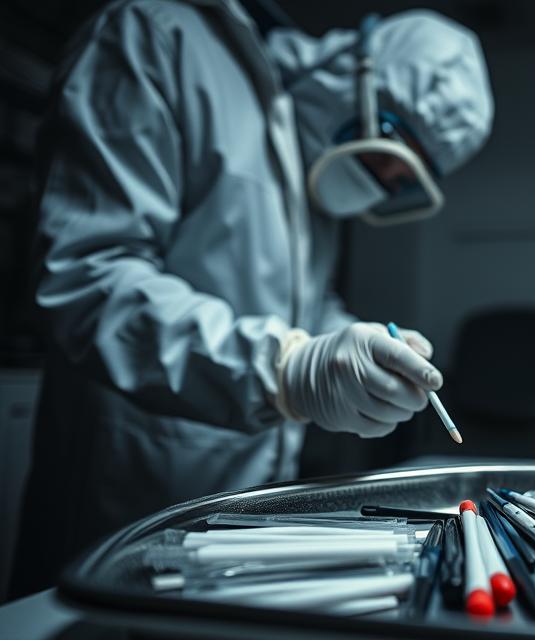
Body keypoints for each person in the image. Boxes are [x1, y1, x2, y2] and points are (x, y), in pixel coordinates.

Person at [9, 0, 492, 598]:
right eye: (392, 149)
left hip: (239, 517)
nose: (385, 182)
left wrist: (359, 344)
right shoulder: (157, 38)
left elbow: (299, 315)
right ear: (359, 78)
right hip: (120, 503)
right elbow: (85, 276)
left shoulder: (305, 150)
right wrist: (283, 368)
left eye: (408, 177)